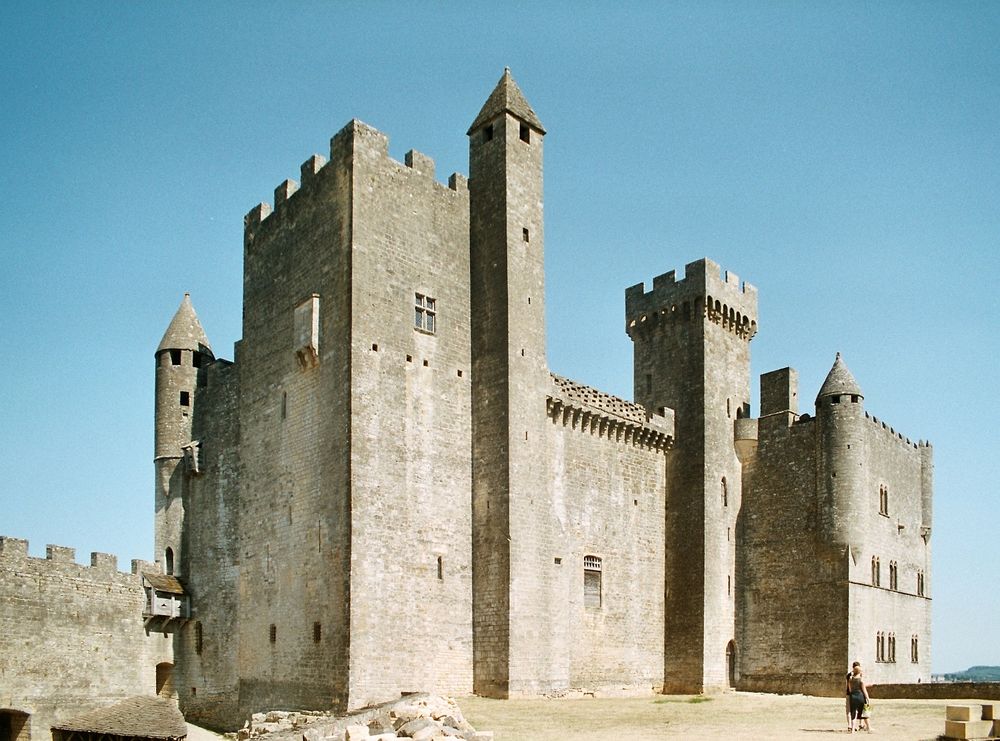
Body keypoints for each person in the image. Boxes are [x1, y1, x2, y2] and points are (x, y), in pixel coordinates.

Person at [848, 664, 870, 733]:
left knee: (853, 713)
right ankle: (869, 728)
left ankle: (853, 729)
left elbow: (850, 689)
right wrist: (868, 699)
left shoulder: (850, 679)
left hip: (853, 696)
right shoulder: (861, 681)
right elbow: (864, 691)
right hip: (860, 696)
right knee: (865, 712)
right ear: (860, 672)